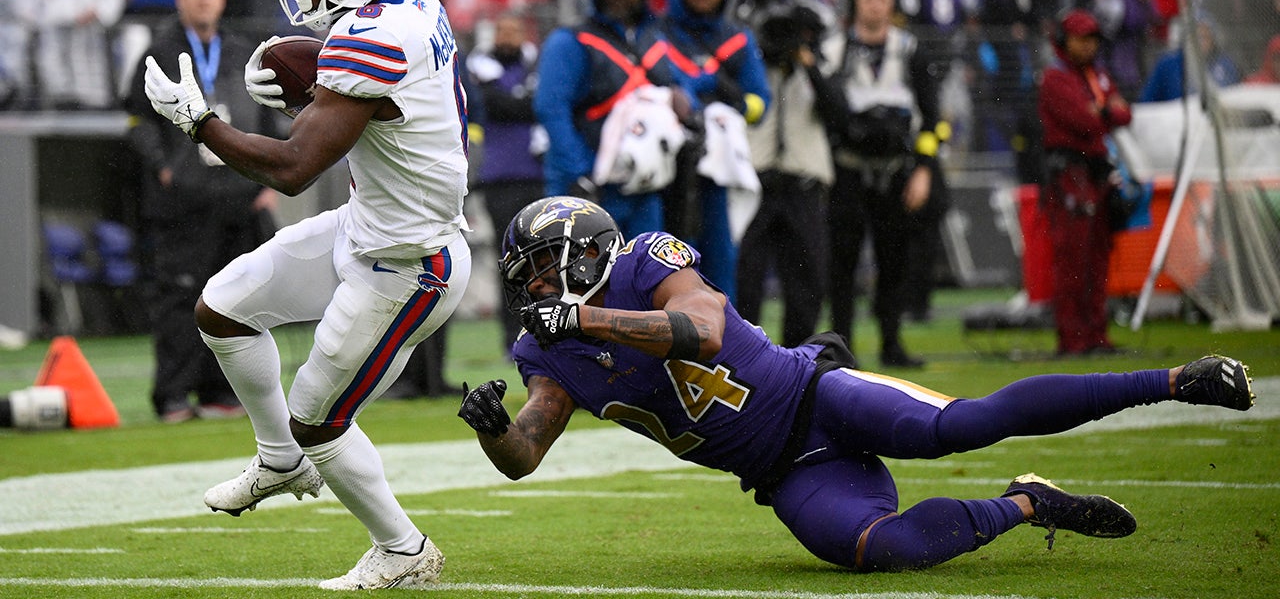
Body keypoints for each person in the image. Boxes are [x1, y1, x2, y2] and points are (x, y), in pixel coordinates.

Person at [458, 195, 1255, 574]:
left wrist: (591, 323)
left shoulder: (646, 259)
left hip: (813, 394)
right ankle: (1031, 503)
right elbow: (526, 452)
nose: (529, 288)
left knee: (961, 426)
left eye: (534, 270)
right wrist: (494, 427)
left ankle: (1175, 380)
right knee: (886, 551)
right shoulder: (546, 352)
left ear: (583, 256)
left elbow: (700, 329)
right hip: (785, 471)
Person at [142, 0, 468, 589]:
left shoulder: (377, 35)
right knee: (222, 308)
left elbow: (293, 168)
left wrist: (202, 124)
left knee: (318, 418)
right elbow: (377, 105)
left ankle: (404, 550)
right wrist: (315, 81)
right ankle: (277, 459)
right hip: (367, 228)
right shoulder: (410, 1)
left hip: (411, 266)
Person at [124, 0, 281, 424]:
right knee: (179, 299)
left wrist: (269, 175)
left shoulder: (240, 51)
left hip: (239, 194)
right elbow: (136, 123)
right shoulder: (159, 51)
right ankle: (172, 396)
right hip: (183, 201)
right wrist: (165, 168)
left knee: (235, 301)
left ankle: (221, 394)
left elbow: (268, 114)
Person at [823, 0, 946, 369]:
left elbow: (932, 119)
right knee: (842, 264)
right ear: (856, 2)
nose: (875, 4)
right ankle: (841, 347)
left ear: (892, 4)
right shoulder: (834, 49)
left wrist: (924, 170)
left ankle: (891, 343)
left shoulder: (910, 51)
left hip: (896, 172)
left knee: (894, 262)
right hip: (847, 171)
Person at [532, 0, 692, 239]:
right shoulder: (570, 41)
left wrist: (685, 101)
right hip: (585, 188)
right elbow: (551, 108)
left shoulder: (654, 41)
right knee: (580, 278)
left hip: (643, 185)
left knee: (644, 276)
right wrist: (584, 171)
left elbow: (681, 87)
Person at [659, 0, 770, 303]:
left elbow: (760, 103)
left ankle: (725, 341)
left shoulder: (739, 39)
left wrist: (732, 99)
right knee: (671, 257)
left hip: (721, 170)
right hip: (669, 166)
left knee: (721, 256)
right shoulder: (659, 34)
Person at [736, 2, 836, 348]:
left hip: (803, 185)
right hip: (756, 184)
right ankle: (747, 356)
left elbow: (840, 114)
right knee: (746, 277)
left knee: (806, 279)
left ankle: (800, 359)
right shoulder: (750, 68)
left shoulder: (820, 67)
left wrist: (808, 64)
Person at [1038, 9, 1131, 356]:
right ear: (1065, 41)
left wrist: (1101, 111)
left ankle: (1096, 335)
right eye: (1082, 38)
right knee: (1072, 261)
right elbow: (1085, 120)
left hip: (1093, 174)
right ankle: (1073, 339)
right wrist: (1106, 111)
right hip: (1070, 178)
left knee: (1097, 258)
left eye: (1093, 39)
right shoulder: (1056, 78)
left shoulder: (1095, 75)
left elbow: (1123, 112)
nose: (1090, 46)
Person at [468, 12, 546, 354]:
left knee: (542, 261)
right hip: (500, 178)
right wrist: (524, 101)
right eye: (503, 30)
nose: (508, 37)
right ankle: (509, 335)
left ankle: (543, 331)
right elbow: (500, 107)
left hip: (536, 174)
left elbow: (539, 105)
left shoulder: (535, 67)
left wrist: (520, 101)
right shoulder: (481, 70)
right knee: (510, 260)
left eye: (514, 30)